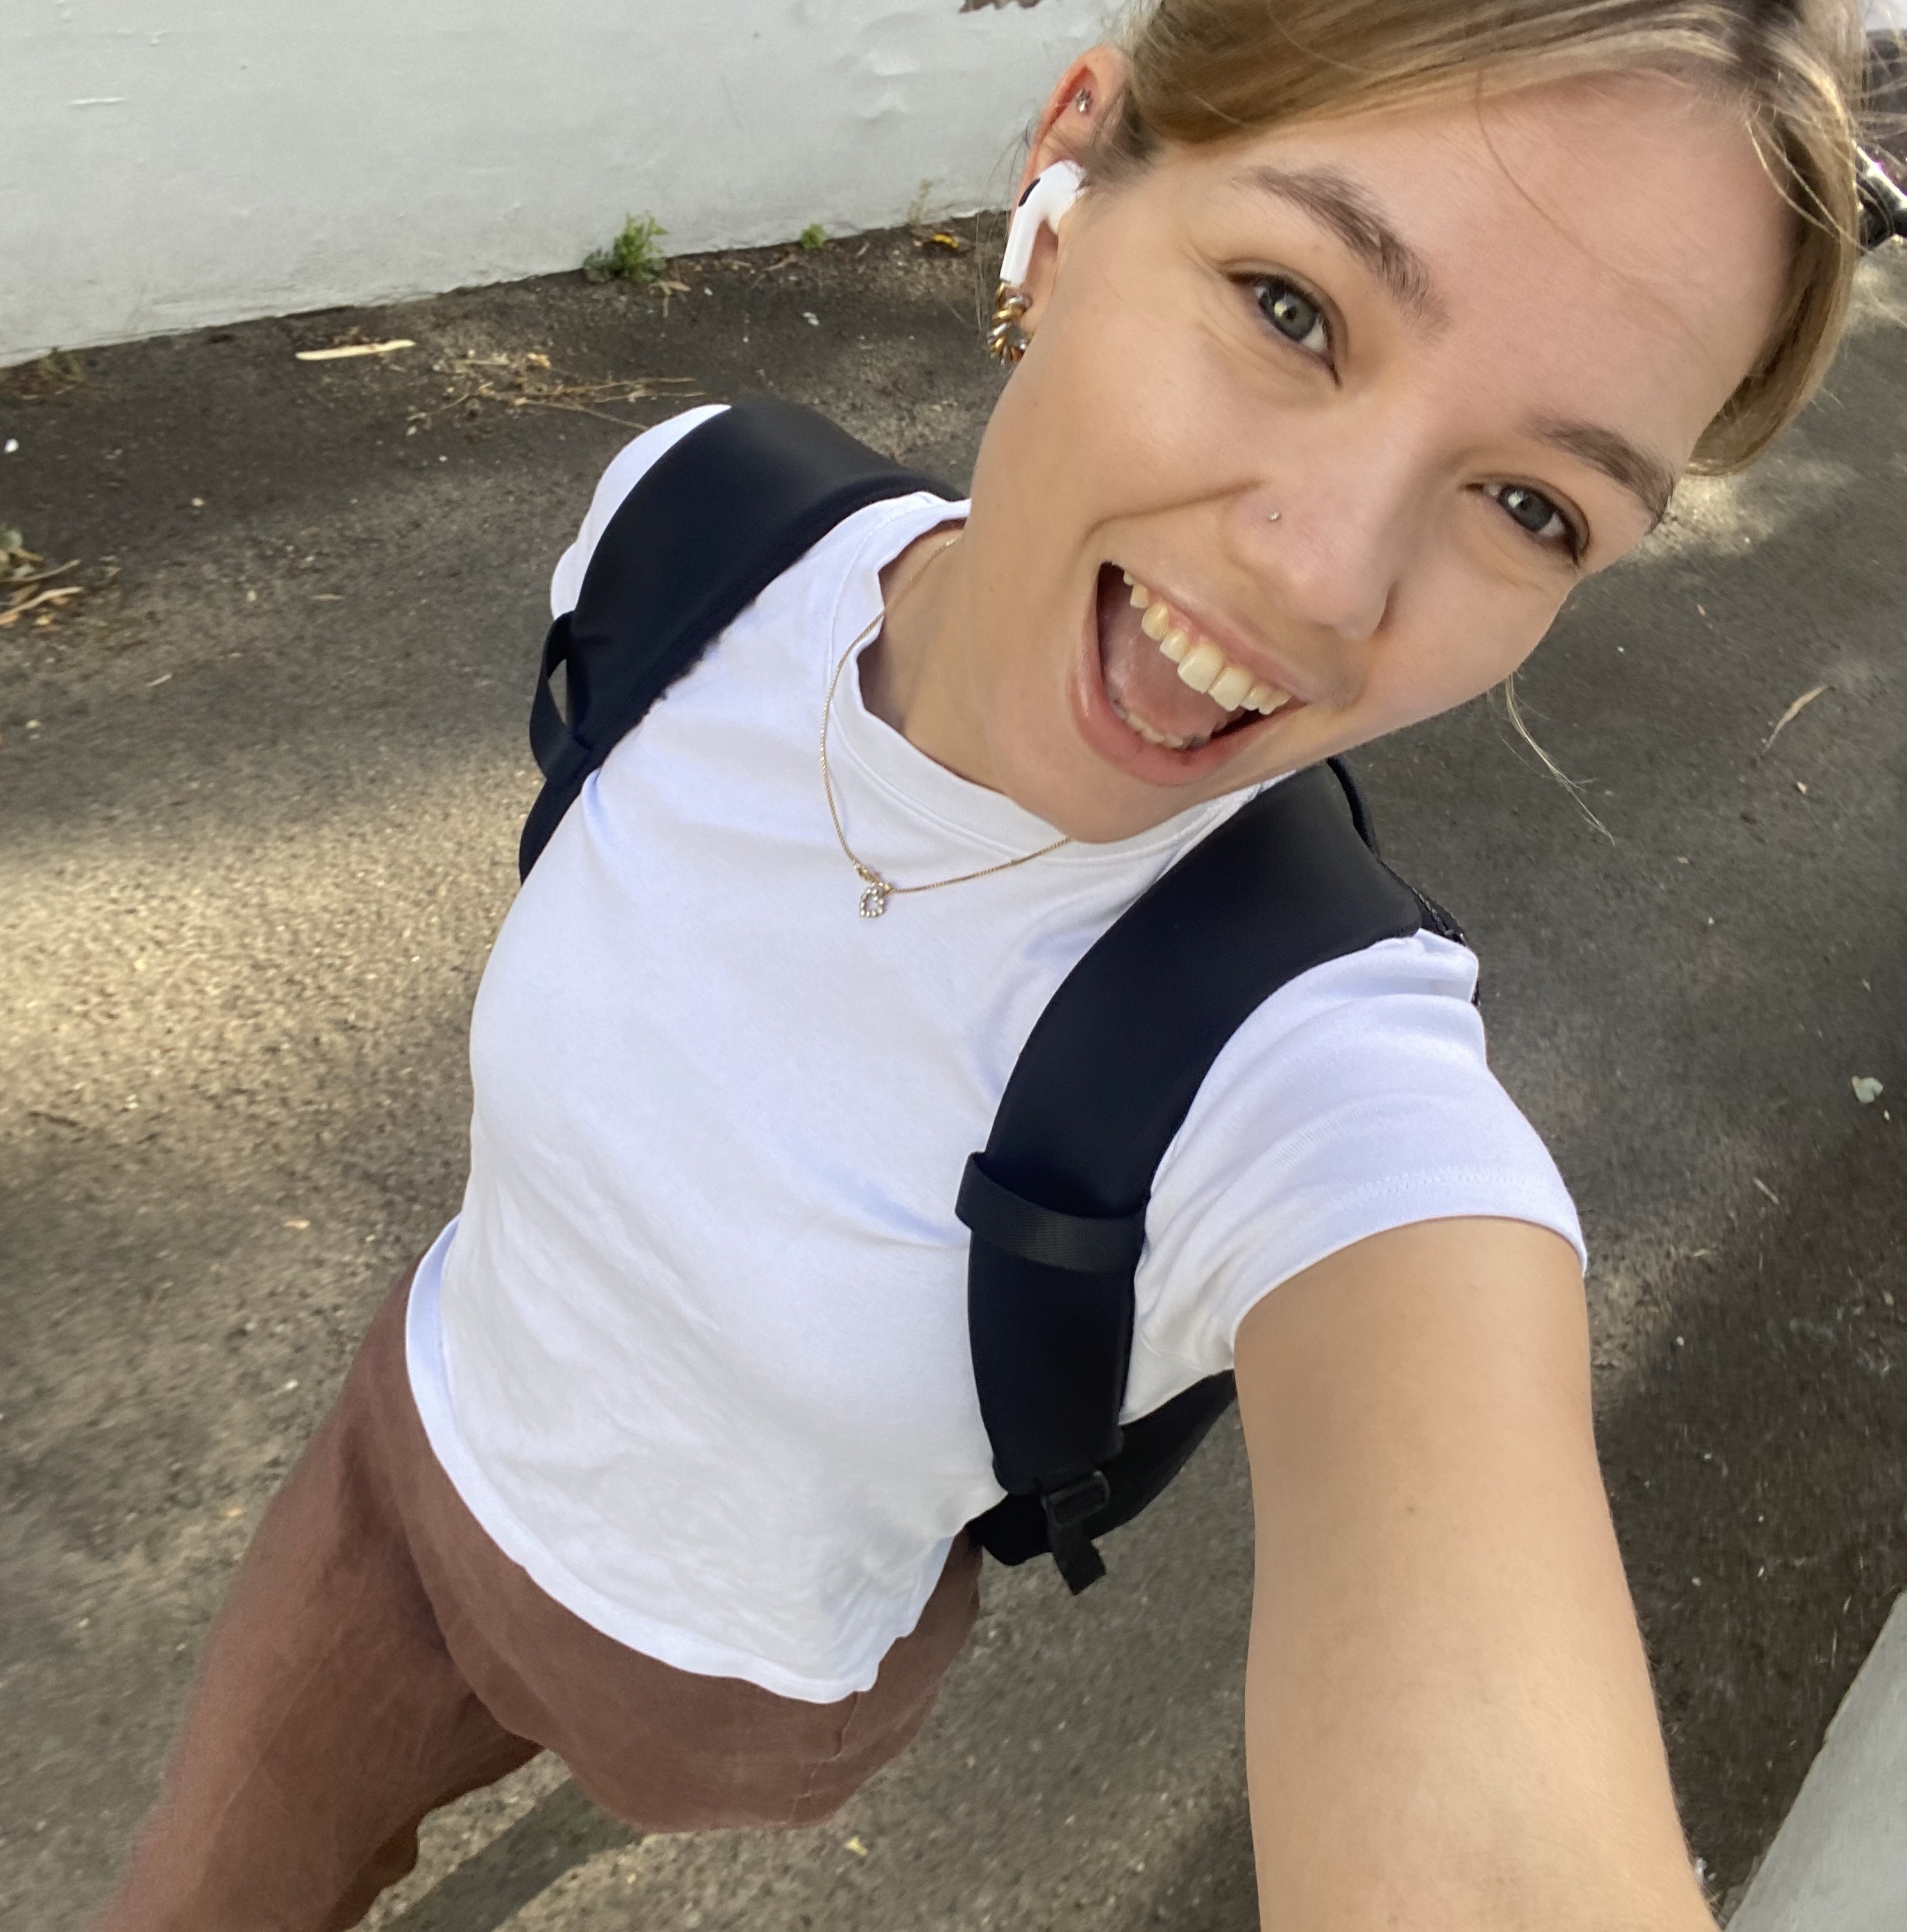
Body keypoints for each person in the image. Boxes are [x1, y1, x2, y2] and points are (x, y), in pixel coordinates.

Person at [96, 3, 1873, 1928]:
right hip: (400, 1463)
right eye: (1294, 309)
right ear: (1075, 169)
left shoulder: (1322, 1086)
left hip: (734, 1695)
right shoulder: (698, 522)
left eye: (1534, 507)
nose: (1325, 578)